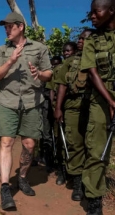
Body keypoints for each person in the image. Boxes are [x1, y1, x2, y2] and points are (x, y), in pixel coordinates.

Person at [0, 12, 52, 210]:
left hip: (32, 102)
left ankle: (23, 178)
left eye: (10, 26)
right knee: (6, 142)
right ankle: (5, 187)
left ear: (21, 26)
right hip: (8, 102)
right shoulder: (1, 50)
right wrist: (10, 61)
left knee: (29, 144)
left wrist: (39, 74)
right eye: (5, 27)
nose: (6, 30)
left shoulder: (39, 48)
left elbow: (48, 73)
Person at [80, 0, 115, 214]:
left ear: (111, 11)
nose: (92, 15)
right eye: (91, 12)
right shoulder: (92, 40)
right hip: (102, 99)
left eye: (97, 11)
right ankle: (94, 200)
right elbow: (93, 73)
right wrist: (111, 102)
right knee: (97, 151)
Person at [54, 29, 93, 202]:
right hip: (72, 106)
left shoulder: (98, 60)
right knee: (75, 144)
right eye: (79, 38)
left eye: (84, 39)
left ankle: (91, 181)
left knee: (92, 144)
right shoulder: (69, 62)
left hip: (93, 106)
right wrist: (58, 107)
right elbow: (62, 85)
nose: (80, 41)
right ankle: (77, 183)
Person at [46, 43, 77, 186]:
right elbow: (53, 88)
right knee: (60, 140)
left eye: (69, 50)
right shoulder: (59, 69)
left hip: (75, 108)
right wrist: (54, 107)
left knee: (74, 142)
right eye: (64, 51)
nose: (66, 53)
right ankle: (62, 170)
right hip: (60, 109)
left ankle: (74, 173)